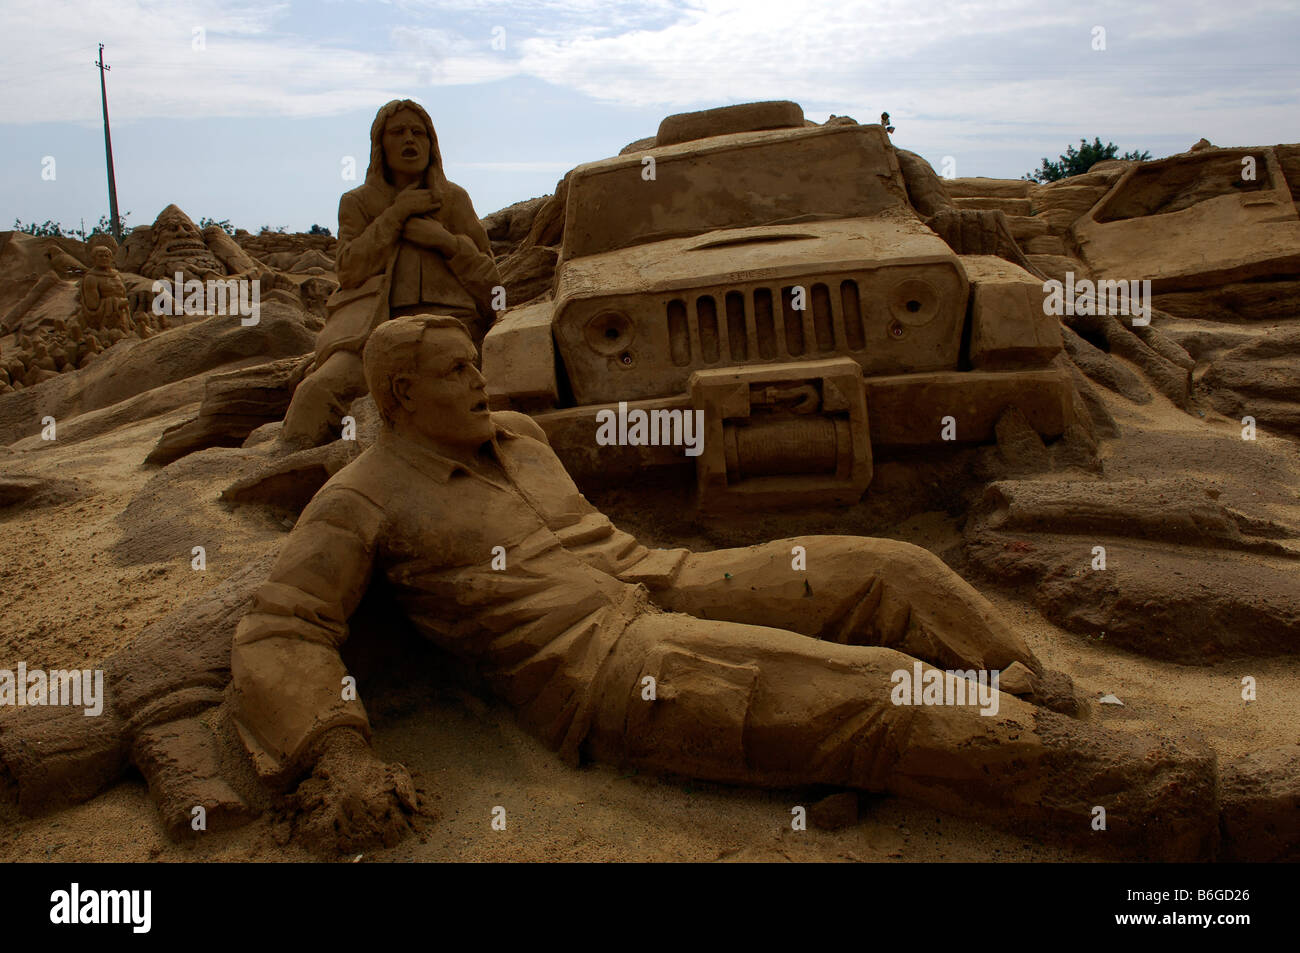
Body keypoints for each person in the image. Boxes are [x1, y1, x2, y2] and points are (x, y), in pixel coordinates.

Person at [233, 315, 1217, 857]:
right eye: (456, 371)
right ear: (401, 397)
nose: (480, 380)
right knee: (878, 686)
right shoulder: (359, 496)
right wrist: (335, 748)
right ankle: (1147, 793)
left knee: (889, 567)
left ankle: (1032, 690)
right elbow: (283, 625)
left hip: (666, 577)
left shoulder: (518, 434)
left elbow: (620, 456)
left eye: (478, 360)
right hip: (610, 667)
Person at [279, 100, 501, 449]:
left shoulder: (454, 200)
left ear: (432, 144)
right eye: (397, 132)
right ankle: (289, 471)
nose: (409, 140)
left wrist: (445, 242)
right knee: (316, 391)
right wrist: (396, 216)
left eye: (419, 132)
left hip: (451, 326)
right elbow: (349, 270)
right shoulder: (359, 202)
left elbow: (492, 284)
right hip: (375, 331)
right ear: (380, 145)